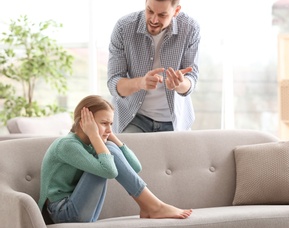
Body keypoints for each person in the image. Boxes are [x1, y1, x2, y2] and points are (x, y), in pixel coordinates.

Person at [38, 95, 192, 223]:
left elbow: (135, 167)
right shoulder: (67, 145)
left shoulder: (93, 144)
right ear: (85, 122)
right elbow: (110, 171)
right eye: (104, 123)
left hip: (82, 210)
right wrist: (95, 135)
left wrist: (110, 136)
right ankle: (154, 206)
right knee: (108, 153)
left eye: (111, 124)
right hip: (64, 213)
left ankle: (150, 206)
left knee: (110, 149)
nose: (109, 129)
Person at [107, 0, 200, 133]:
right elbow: (113, 83)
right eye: (150, 11)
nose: (154, 20)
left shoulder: (190, 29)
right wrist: (140, 83)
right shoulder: (124, 28)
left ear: (176, 11)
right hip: (133, 117)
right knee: (129, 156)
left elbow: (191, 80)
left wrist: (180, 84)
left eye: (162, 15)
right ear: (145, 1)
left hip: (175, 120)